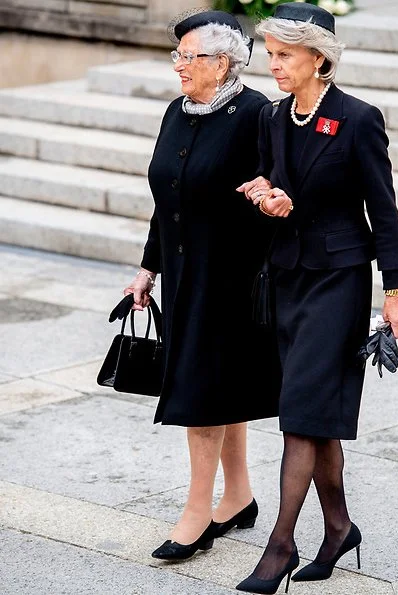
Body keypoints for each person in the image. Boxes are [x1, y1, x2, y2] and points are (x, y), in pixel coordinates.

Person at [235, 3, 398, 593]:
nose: (274, 65)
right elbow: (267, 178)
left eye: (286, 55)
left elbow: (382, 210)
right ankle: (338, 528)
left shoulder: (358, 119)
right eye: (271, 53)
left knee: (300, 418)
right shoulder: (273, 118)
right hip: (287, 275)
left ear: (319, 58)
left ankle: (280, 545)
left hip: (338, 280)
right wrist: (265, 196)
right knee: (317, 417)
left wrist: (395, 290)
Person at [122, 10, 280, 562]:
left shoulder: (257, 115)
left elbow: (277, 194)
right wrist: (149, 268)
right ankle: (236, 497)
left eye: (187, 57)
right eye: (177, 56)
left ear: (222, 61)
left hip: (231, 278)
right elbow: (168, 196)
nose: (179, 67)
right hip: (187, 274)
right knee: (218, 384)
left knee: (202, 392)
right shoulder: (177, 110)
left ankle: (197, 512)